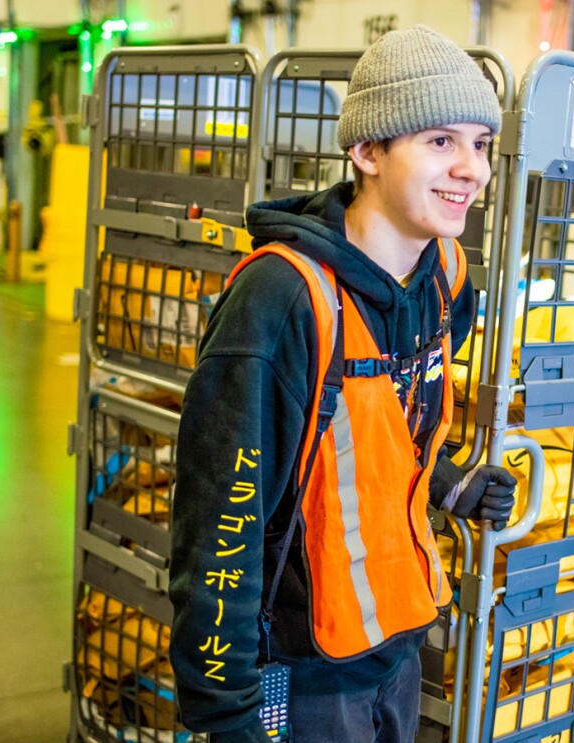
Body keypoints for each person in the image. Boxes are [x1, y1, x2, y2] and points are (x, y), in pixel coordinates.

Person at [170, 25, 518, 743]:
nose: (472, 170)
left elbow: (380, 435)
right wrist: (228, 710)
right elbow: (220, 523)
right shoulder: (281, 302)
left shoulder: (444, 280)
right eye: (440, 142)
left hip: (396, 648)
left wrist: (449, 483)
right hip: (305, 678)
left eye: (480, 143)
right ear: (366, 152)